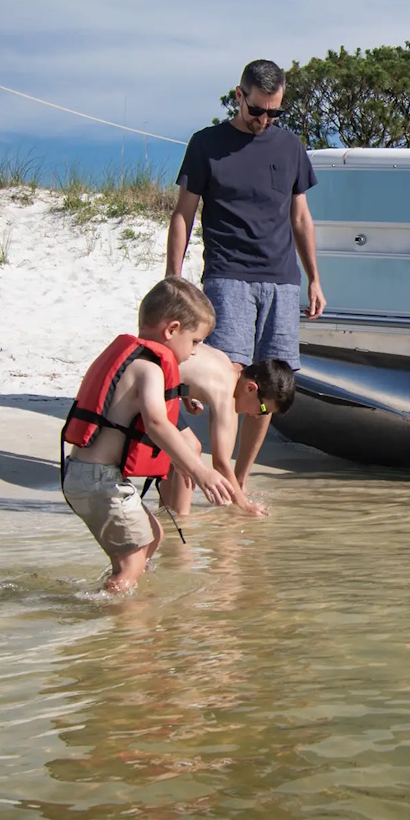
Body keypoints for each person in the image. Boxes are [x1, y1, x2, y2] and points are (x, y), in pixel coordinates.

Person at [167, 59, 326, 499]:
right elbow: (183, 214)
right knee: (228, 377)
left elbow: (300, 218)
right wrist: (172, 280)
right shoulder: (207, 144)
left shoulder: (291, 147)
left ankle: (239, 481)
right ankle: (209, 471)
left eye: (274, 112)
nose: (264, 120)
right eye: (257, 110)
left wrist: (314, 278)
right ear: (239, 96)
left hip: (282, 280)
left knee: (271, 383)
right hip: (228, 275)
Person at [60, 277, 233, 594]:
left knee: (153, 536)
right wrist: (200, 470)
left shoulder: (136, 362)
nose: (195, 352)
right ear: (172, 329)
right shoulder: (148, 368)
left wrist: (178, 398)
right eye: (195, 341)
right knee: (133, 562)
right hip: (100, 480)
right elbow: (156, 423)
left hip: (84, 475)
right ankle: (115, 609)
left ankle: (120, 598)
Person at [161, 345, 297, 518]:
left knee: (176, 455)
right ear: (250, 388)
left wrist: (184, 393)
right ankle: (182, 520)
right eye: (263, 409)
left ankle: (165, 515)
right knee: (189, 448)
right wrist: (245, 506)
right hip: (146, 383)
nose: (257, 416)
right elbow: (221, 463)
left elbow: (185, 365)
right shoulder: (226, 393)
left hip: (146, 373)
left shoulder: (225, 363)